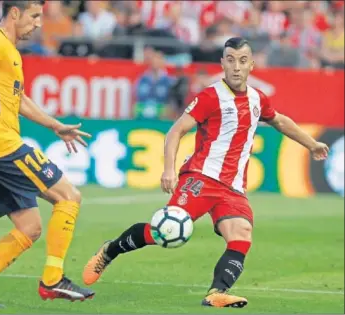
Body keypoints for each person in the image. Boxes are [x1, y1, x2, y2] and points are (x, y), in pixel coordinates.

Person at [82, 37, 329, 308]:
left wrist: (311, 143)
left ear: (252, 65)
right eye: (231, 60)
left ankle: (216, 292)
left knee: (241, 234)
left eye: (243, 61)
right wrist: (168, 169)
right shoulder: (211, 96)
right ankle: (109, 251)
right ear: (222, 63)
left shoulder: (258, 99)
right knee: (163, 233)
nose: (236, 67)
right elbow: (176, 130)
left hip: (233, 187)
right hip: (201, 177)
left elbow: (279, 120)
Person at [0, 0, 94, 307]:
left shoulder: (9, 51)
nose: (38, 23)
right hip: (2, 146)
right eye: (34, 16)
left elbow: (19, 99)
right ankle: (53, 279)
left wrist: (55, 126)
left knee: (30, 228)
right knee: (69, 196)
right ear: (15, 13)